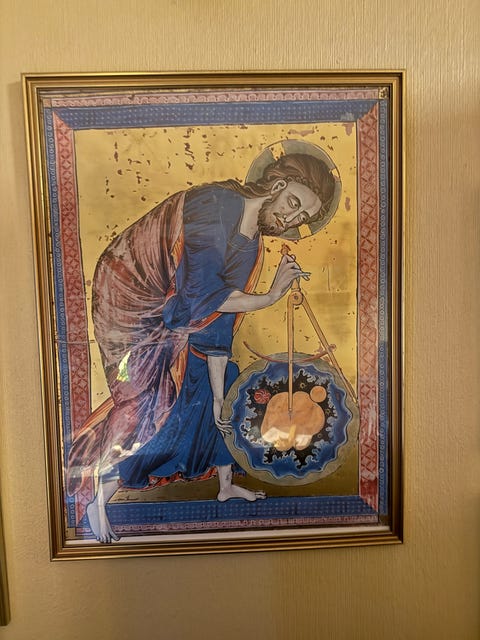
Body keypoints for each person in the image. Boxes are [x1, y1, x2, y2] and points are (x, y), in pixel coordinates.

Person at [66, 152, 336, 543]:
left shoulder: (251, 246)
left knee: (219, 387)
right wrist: (270, 296)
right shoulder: (214, 203)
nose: (291, 219)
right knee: (150, 400)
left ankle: (224, 485)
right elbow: (198, 298)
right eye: (293, 203)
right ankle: (100, 497)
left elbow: (217, 323)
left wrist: (218, 397)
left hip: (174, 315)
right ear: (277, 186)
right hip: (132, 295)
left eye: (302, 218)